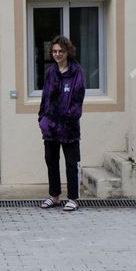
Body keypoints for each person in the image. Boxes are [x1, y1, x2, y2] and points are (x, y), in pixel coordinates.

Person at [38, 36, 86, 212]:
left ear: (67, 52)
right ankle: (55, 196)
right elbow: (45, 97)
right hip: (50, 127)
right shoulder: (51, 72)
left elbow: (78, 99)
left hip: (69, 128)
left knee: (71, 163)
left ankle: (73, 198)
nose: (57, 54)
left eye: (61, 51)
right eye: (55, 51)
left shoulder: (76, 72)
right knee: (51, 161)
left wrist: (68, 120)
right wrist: (42, 118)